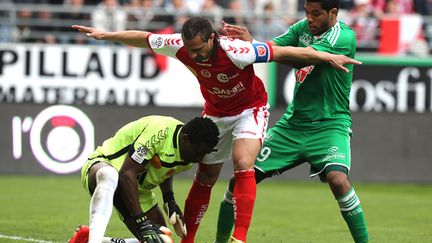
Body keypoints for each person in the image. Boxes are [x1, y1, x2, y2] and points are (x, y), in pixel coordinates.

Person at [72, 16, 360, 243]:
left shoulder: (237, 50)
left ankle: (240, 237)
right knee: (206, 175)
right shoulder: (180, 45)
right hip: (216, 113)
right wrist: (106, 35)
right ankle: (191, 240)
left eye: (199, 49)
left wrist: (325, 57)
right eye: (190, 50)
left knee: (243, 162)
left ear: (212, 38)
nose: (195, 56)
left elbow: (280, 51)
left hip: (250, 109)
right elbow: (145, 39)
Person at [215, 0, 369, 242]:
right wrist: (252, 44)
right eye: (307, 12)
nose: (310, 18)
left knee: (338, 181)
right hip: (292, 126)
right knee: (239, 180)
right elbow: (273, 46)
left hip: (330, 125)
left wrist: (255, 47)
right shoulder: (302, 29)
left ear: (333, 13)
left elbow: (304, 58)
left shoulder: (343, 37)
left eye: (316, 14)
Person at [68, 115, 220, 243]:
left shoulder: (188, 151)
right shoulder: (159, 133)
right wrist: (141, 220)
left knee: (162, 240)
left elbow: (166, 167)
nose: (200, 159)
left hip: (137, 189)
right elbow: (126, 174)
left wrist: (169, 199)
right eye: (198, 153)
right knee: (110, 175)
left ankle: (89, 239)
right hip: (104, 167)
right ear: (185, 139)